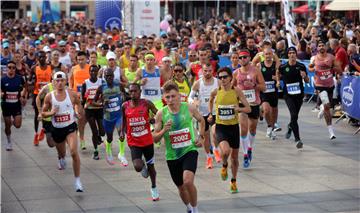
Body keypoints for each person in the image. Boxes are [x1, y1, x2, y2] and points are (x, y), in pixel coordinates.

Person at [153, 81, 205, 213]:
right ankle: (188, 208)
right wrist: (164, 130)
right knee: (181, 187)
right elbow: (154, 138)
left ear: (179, 96)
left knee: (188, 181)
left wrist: (201, 136)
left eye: (173, 96)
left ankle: (195, 209)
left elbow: (201, 120)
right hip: (172, 156)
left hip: (189, 150)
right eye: (167, 97)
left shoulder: (189, 108)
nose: (170, 100)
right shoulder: (161, 113)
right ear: (164, 98)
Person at [208, 67, 251, 193]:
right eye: (220, 77)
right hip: (221, 127)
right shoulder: (216, 91)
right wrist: (211, 114)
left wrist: (239, 109)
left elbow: (248, 108)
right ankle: (224, 164)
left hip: (233, 127)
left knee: (235, 158)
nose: (222, 79)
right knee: (226, 151)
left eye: (225, 77)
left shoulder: (236, 91)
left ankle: (233, 181)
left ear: (231, 78)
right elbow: (210, 101)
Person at [41, 71, 84, 192]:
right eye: (57, 81)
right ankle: (61, 158)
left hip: (70, 127)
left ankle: (77, 181)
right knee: (62, 153)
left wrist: (77, 112)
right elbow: (43, 113)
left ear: (66, 81)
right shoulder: (49, 96)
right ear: (53, 82)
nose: (60, 83)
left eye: (62, 80)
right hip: (57, 129)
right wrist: (51, 113)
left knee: (74, 152)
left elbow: (78, 104)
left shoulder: (72, 94)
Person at [121, 83, 159, 201]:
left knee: (151, 167)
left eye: (135, 91)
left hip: (147, 141)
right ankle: (142, 166)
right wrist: (122, 132)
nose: (133, 94)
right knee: (137, 166)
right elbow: (124, 120)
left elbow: (158, 114)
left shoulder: (146, 103)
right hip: (134, 142)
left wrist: (154, 120)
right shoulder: (125, 106)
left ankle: (154, 187)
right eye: (131, 91)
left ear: (140, 91)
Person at [232, 50, 266, 168]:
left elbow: (264, 87)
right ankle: (245, 154)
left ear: (249, 58)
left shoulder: (256, 71)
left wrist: (254, 85)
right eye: (240, 58)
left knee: (252, 129)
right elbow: (232, 87)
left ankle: (250, 147)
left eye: (244, 57)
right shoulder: (236, 73)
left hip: (254, 104)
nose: (242, 59)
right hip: (242, 104)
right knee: (243, 129)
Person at [189, 63, 220, 169]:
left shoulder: (218, 82)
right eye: (205, 71)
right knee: (204, 136)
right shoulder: (198, 83)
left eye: (209, 71)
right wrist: (194, 101)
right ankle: (209, 157)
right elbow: (189, 97)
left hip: (215, 111)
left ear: (213, 71)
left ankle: (216, 148)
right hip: (202, 113)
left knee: (215, 132)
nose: (207, 73)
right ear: (202, 71)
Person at [94, 68, 128, 166]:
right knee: (110, 138)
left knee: (121, 134)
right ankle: (108, 149)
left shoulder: (119, 85)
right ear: (104, 77)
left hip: (118, 115)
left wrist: (124, 97)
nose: (109, 78)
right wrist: (102, 103)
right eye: (107, 76)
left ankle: (121, 154)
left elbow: (125, 96)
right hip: (108, 117)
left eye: (111, 76)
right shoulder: (101, 88)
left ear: (113, 76)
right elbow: (94, 101)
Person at [308, 41, 342, 140]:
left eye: (323, 45)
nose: (321, 47)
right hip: (319, 85)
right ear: (317, 48)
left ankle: (322, 107)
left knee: (328, 106)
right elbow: (310, 68)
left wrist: (331, 67)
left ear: (326, 47)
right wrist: (313, 69)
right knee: (327, 106)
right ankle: (331, 131)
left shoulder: (331, 57)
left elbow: (339, 69)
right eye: (319, 46)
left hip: (330, 85)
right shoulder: (314, 58)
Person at [277, 47, 309, 149]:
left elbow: (307, 81)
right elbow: (278, 73)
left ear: (296, 54)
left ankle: (291, 126)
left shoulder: (301, 66)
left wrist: (304, 76)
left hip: (299, 95)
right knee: (294, 114)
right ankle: (297, 139)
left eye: (293, 53)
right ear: (288, 55)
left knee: (295, 117)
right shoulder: (283, 67)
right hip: (288, 95)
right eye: (290, 53)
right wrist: (278, 81)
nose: (292, 55)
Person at [1, 61, 27, 151]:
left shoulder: (19, 78)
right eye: (9, 67)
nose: (11, 69)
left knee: (18, 125)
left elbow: (25, 87)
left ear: (15, 69)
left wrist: (23, 95)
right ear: (6, 68)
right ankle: (9, 142)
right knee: (7, 126)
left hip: (16, 105)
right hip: (6, 105)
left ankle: (12, 121)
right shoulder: (3, 80)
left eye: (13, 67)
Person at [81, 65, 105, 160]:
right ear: (89, 72)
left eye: (95, 71)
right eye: (91, 71)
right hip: (90, 110)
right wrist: (84, 99)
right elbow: (82, 99)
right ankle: (95, 151)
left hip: (99, 109)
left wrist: (101, 101)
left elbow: (104, 94)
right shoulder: (85, 83)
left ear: (98, 72)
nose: (93, 73)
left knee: (102, 132)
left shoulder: (101, 82)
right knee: (94, 131)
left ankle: (99, 136)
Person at [69, 51, 90, 150]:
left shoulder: (90, 68)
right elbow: (70, 80)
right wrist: (71, 91)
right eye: (79, 60)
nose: (81, 61)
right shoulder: (73, 68)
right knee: (81, 117)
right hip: (77, 98)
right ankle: (82, 139)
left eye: (82, 59)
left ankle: (79, 132)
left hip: (88, 97)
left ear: (86, 59)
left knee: (84, 119)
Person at [31, 51, 52, 146]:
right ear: (37, 58)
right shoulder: (34, 68)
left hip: (47, 94)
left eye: (44, 57)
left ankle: (43, 129)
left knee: (45, 113)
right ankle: (36, 133)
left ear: (46, 57)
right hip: (37, 94)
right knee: (37, 114)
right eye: (40, 57)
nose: (42, 59)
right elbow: (31, 81)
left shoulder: (50, 67)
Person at [259, 47, 279, 139]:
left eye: (269, 54)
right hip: (264, 92)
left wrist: (278, 79)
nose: (268, 56)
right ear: (263, 55)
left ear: (272, 55)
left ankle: (272, 127)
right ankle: (269, 126)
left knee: (274, 111)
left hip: (274, 92)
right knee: (266, 110)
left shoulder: (276, 65)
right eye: (266, 54)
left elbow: (280, 76)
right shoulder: (260, 65)